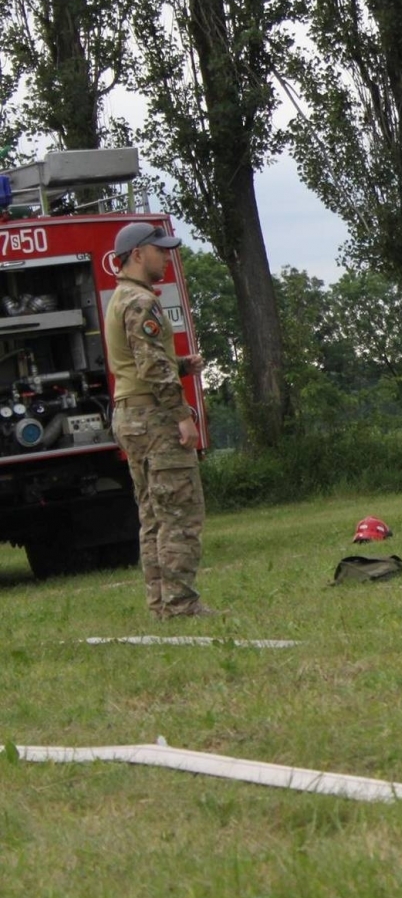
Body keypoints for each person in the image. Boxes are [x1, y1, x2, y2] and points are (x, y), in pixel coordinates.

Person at [105, 222, 215, 619]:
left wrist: (182, 365)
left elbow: (136, 362)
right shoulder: (140, 302)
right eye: (160, 250)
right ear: (138, 254)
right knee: (180, 513)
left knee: (153, 516)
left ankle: (162, 605)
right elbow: (151, 365)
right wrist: (182, 415)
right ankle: (182, 604)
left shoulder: (120, 298)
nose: (167, 257)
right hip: (154, 417)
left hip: (131, 415)